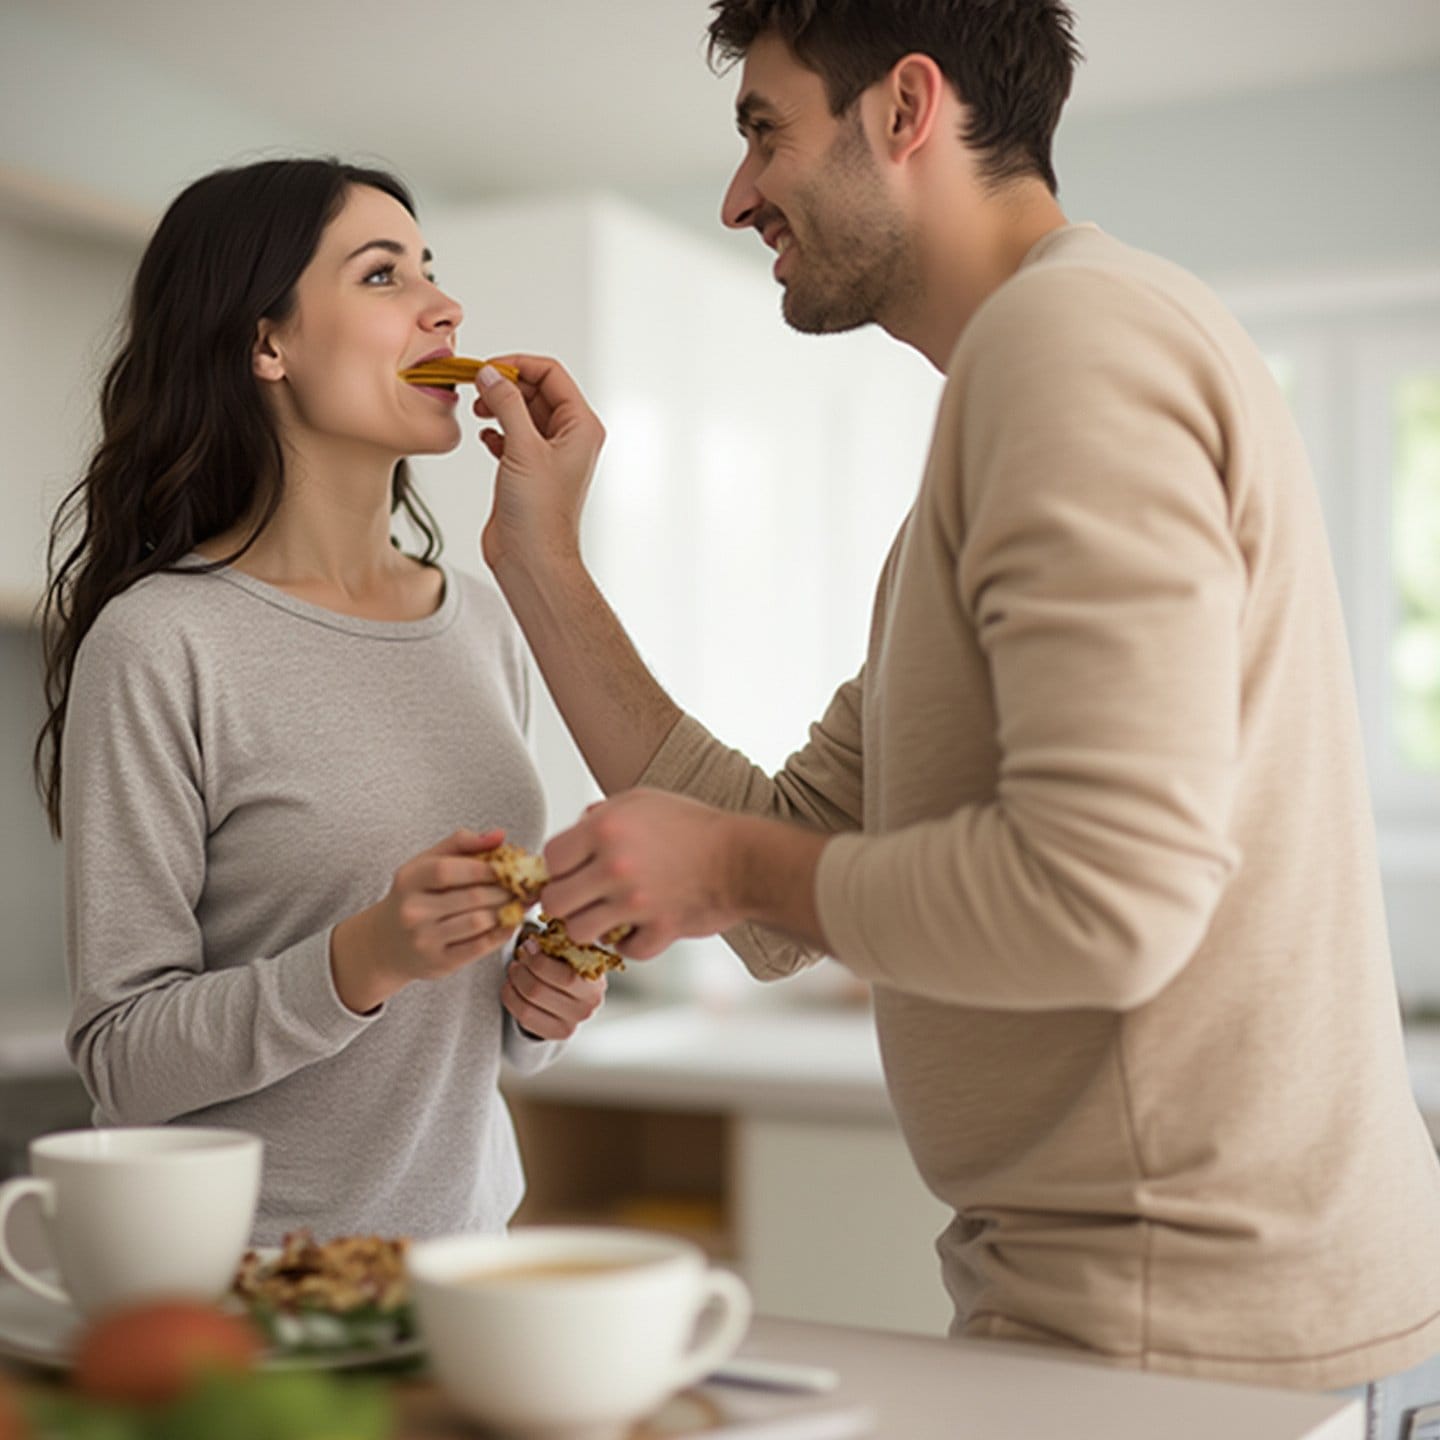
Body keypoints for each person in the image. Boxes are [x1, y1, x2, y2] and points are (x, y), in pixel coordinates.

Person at [466, 0, 1440, 1416]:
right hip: (1157, 1319)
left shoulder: (1070, 348)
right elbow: (787, 868)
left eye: (763, 130)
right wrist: (539, 563)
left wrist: (725, 865)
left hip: (1189, 1335)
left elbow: (1105, 893)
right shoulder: (1020, 392)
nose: (739, 197)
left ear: (906, 108)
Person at [35, 157, 604, 1243]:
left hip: (467, 1264)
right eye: (384, 276)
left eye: (430, 270)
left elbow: (462, 1029)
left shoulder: (480, 620)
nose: (446, 308)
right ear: (267, 344)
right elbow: (121, 1060)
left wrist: (539, 1004)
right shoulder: (162, 641)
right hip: (254, 1285)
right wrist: (363, 959)